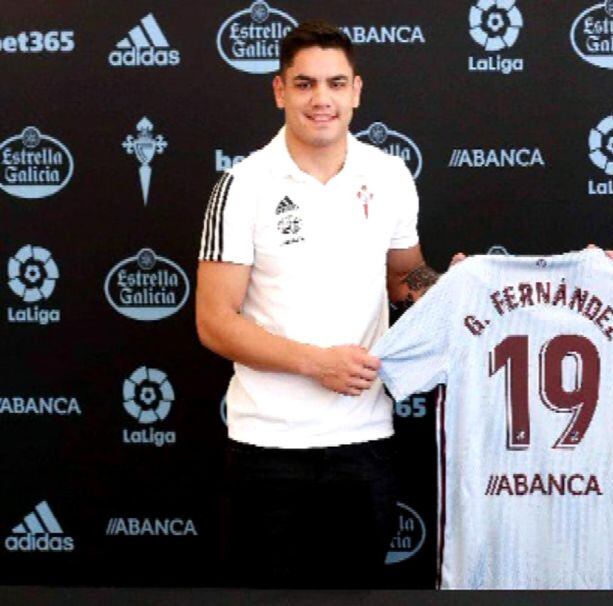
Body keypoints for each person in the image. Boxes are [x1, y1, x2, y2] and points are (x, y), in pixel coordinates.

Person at [195, 21, 440, 588]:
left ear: (356, 90)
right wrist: (315, 362)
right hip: (268, 449)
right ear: (280, 91)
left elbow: (405, 276)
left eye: (335, 84)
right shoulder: (243, 184)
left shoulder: (390, 174)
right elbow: (213, 321)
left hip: (365, 442)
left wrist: (452, 284)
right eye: (304, 85)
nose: (321, 99)